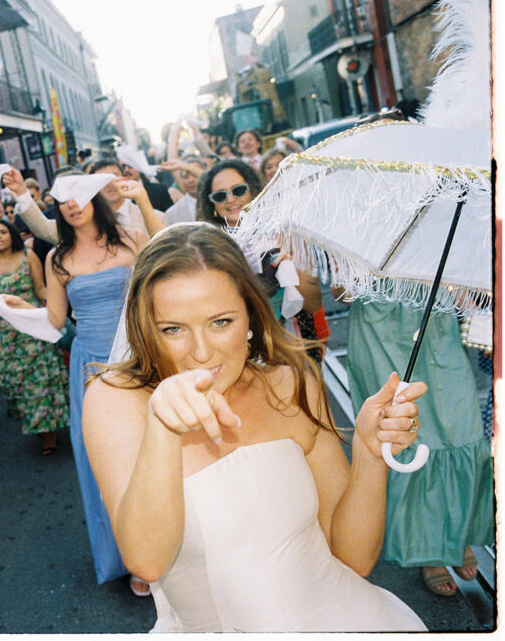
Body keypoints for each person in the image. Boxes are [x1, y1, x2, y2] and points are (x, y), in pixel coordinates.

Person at [83, 223, 427, 632]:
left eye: (221, 322)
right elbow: (148, 560)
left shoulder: (290, 381)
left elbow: (353, 559)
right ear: (145, 328)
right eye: (172, 329)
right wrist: (162, 430)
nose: (201, 351)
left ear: (249, 315)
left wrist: (370, 456)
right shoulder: (114, 401)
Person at [7, 186, 148, 593]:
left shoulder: (130, 240)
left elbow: (157, 289)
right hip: (90, 369)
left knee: (152, 452)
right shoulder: (57, 258)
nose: (70, 204)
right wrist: (20, 310)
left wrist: (141, 199)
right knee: (108, 464)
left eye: (78, 194)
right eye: (62, 199)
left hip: (137, 357)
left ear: (95, 198)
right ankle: (132, 556)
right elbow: (54, 322)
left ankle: (170, 543)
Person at [343, 298, 493, 597]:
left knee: (459, 426)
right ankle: (426, 549)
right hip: (378, 324)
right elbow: (340, 291)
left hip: (437, 320)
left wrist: (480, 318)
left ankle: (456, 536)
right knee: (407, 434)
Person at [199, 160, 326, 362]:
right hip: (241, 354)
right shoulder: (208, 244)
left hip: (292, 349)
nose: (230, 199)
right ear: (212, 204)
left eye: (239, 190)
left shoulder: (284, 231)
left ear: (253, 191)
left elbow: (312, 304)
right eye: (220, 195)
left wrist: (293, 266)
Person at [0, 220, 68, 455]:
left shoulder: (28, 255)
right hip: (6, 333)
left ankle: (49, 432)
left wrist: (55, 301)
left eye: (3, 232)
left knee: (42, 378)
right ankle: (38, 421)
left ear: (12, 234)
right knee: (15, 382)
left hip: (32, 326)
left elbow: (40, 288)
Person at [89, 158, 166, 237]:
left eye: (114, 177)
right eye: (103, 180)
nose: (110, 184)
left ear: (125, 178)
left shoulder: (158, 217)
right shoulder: (89, 223)